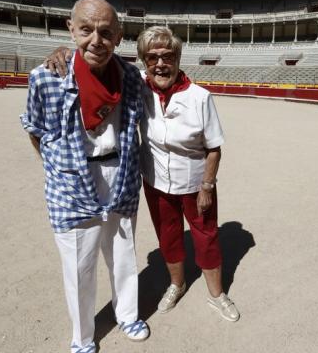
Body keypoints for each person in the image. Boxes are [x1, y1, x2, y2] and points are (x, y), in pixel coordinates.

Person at [45, 26, 240, 322]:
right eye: (152, 58)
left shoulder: (200, 97)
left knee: (206, 237)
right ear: (144, 62)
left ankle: (217, 294)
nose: (160, 63)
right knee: (168, 236)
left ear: (177, 58)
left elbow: (214, 148)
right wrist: (66, 54)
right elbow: (99, 60)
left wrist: (207, 186)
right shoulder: (137, 85)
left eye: (167, 56)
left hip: (195, 182)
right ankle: (177, 284)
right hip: (156, 182)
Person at [21, 0, 149, 353]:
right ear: (70, 28)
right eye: (86, 30)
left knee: (123, 254)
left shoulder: (130, 78)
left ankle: (127, 314)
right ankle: (83, 336)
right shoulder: (45, 76)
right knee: (79, 266)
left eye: (106, 32)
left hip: (120, 174)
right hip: (72, 183)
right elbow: (35, 129)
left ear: (119, 37)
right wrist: (59, 169)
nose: (96, 39)